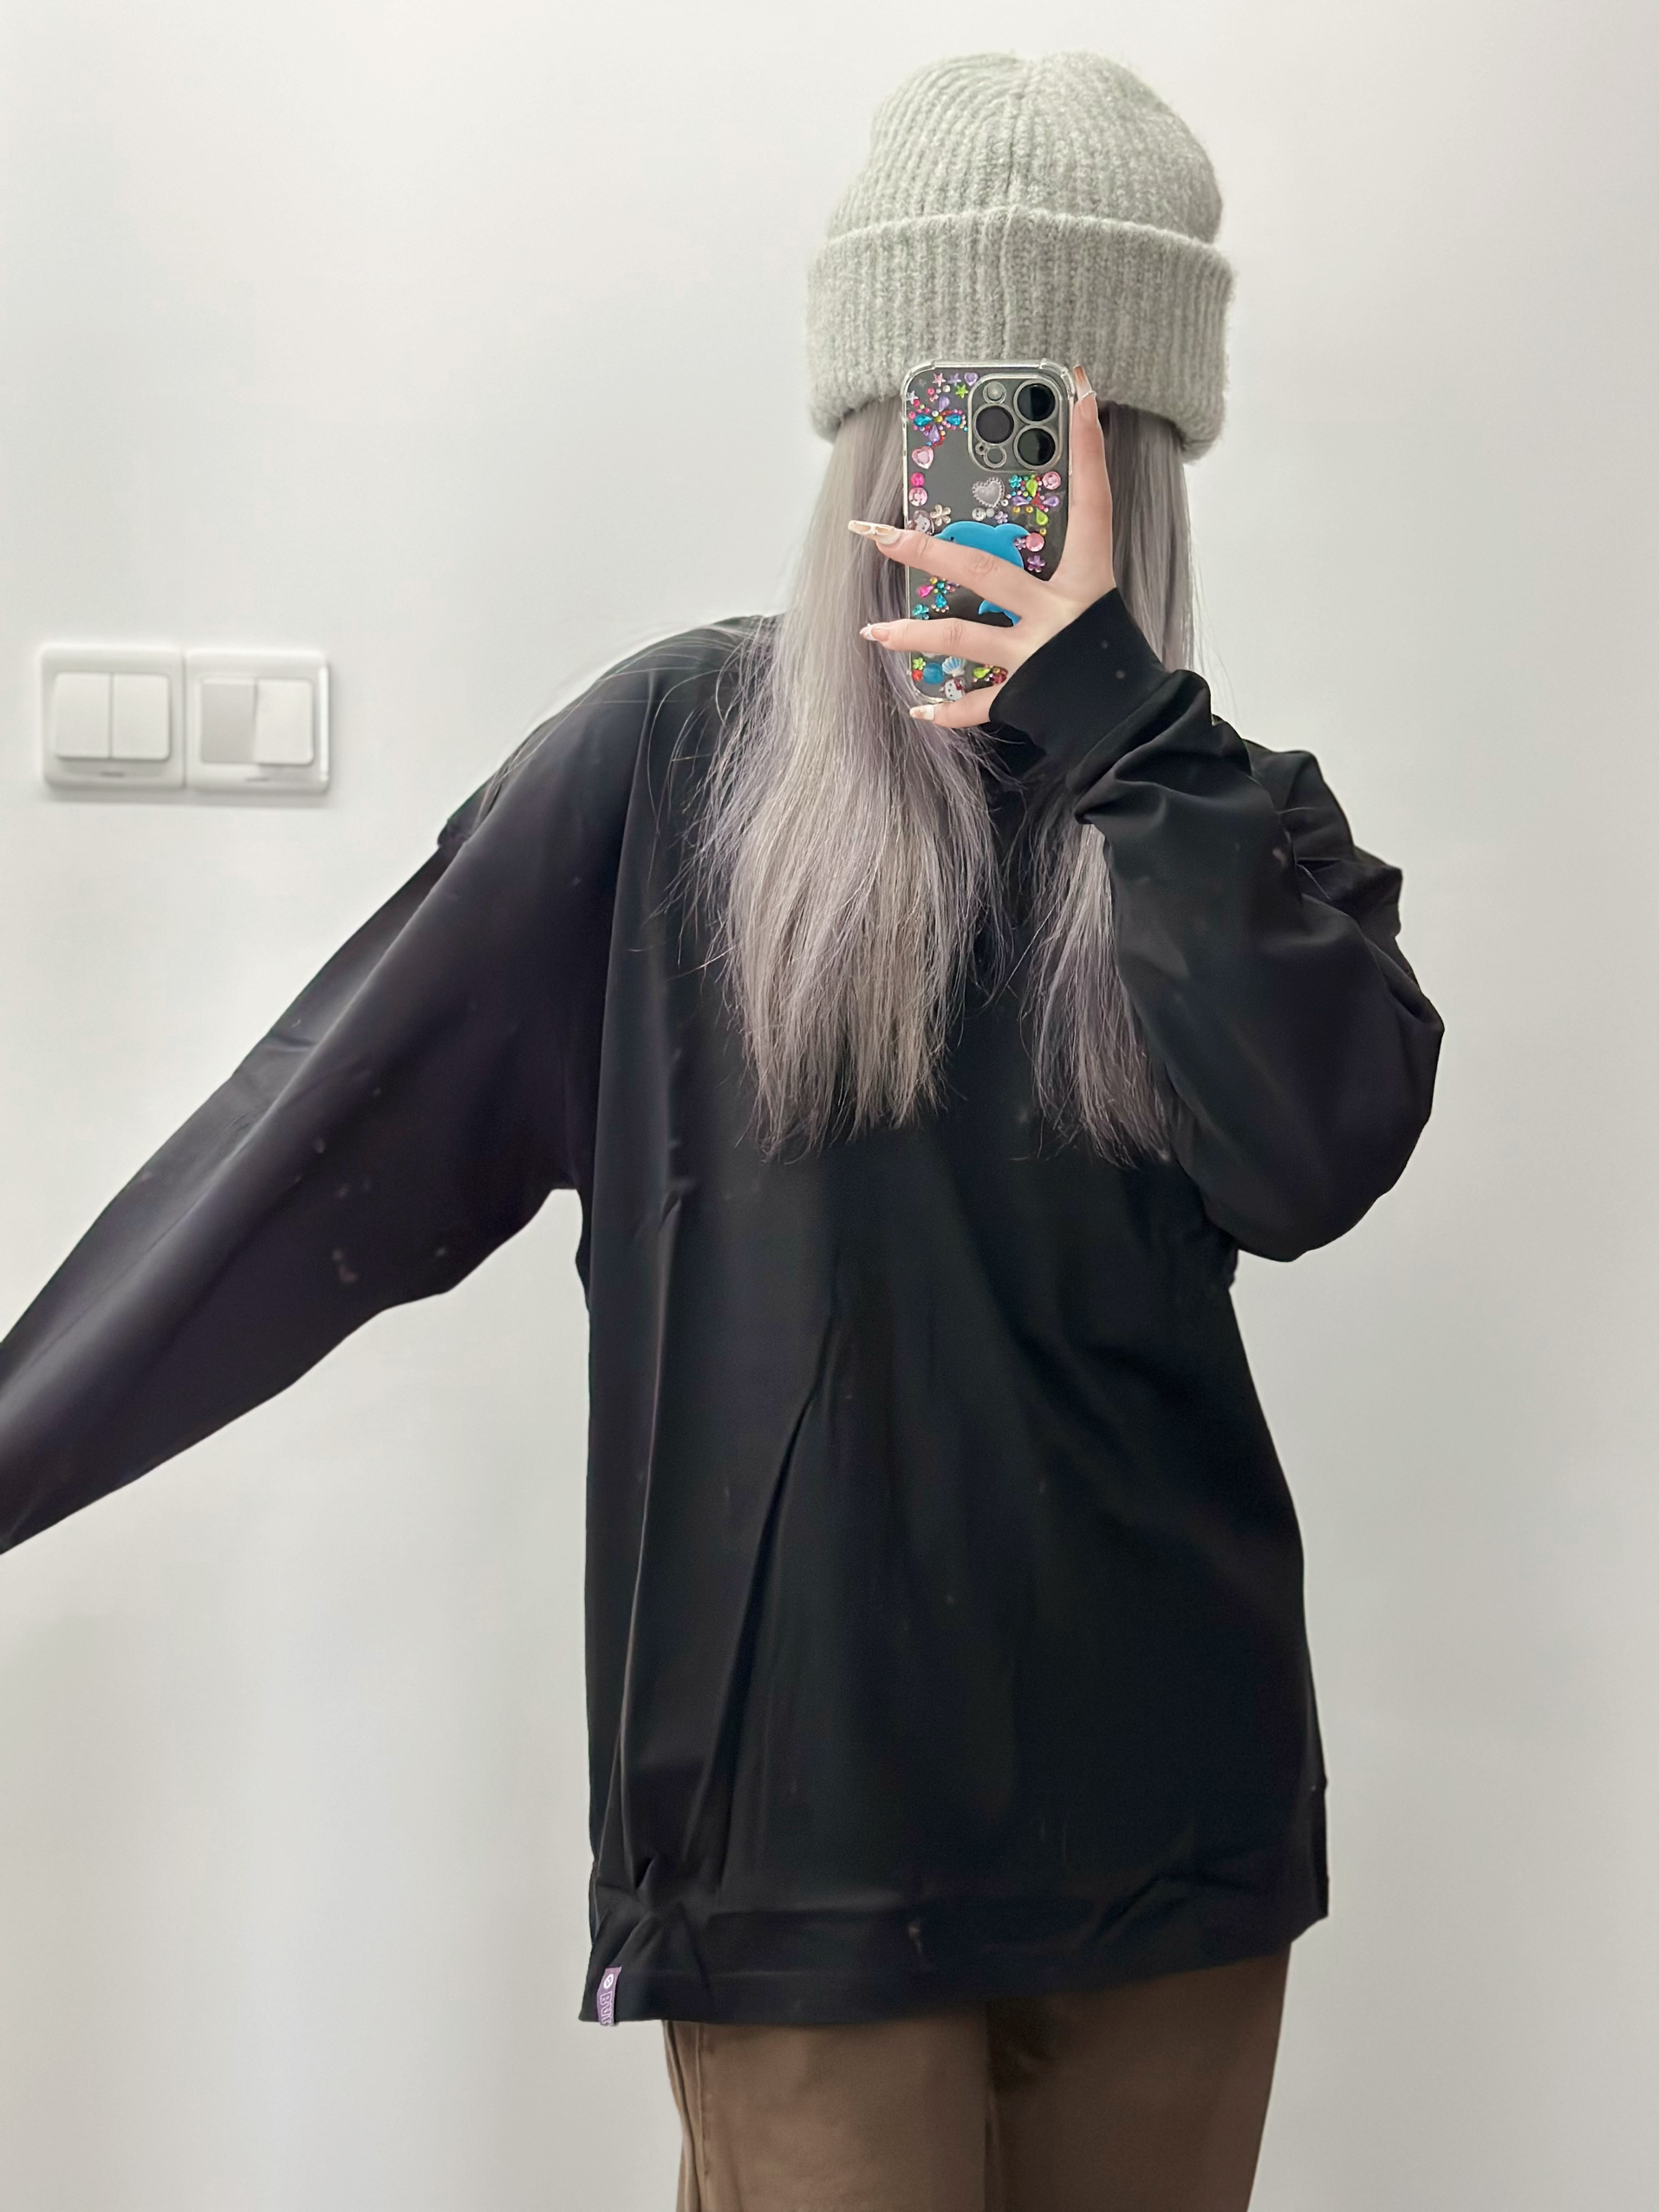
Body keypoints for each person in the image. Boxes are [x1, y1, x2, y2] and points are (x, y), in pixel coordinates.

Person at [0, 49, 1442, 2212]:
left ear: (1140, 463)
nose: (994, 491)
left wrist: (1114, 727)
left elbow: (1317, 1155)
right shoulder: (670, 769)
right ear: (869, 435)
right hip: (801, 1848)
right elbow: (301, 1155)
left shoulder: (1226, 822)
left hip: (1175, 1830)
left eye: (1057, 434)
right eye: (952, 420)